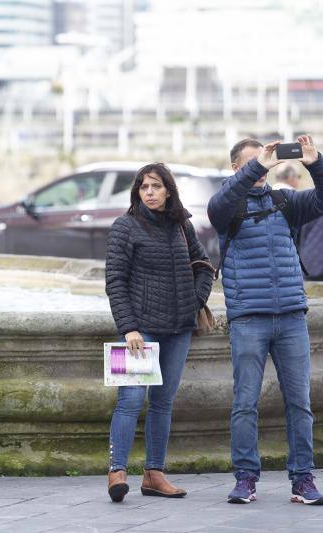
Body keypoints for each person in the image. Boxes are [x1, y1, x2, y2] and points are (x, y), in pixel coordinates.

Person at [207, 136, 323, 506]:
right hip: (249, 317)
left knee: (300, 403)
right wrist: (259, 165)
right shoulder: (223, 207)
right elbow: (220, 205)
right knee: (245, 403)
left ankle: (303, 479)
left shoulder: (284, 202)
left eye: (267, 160)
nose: (264, 166)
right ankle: (245, 478)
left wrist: (315, 163)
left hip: (292, 317)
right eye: (254, 162)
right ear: (236, 168)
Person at [104, 163, 214, 503]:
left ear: (169, 190)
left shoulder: (181, 225)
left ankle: (154, 474)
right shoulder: (125, 226)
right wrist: (130, 328)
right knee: (131, 400)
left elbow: (205, 266)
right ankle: (116, 471)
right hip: (141, 330)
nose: (149, 192)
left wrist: (194, 302)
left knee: (163, 403)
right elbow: (115, 282)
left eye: (155, 186)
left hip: (179, 329)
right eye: (143, 187)